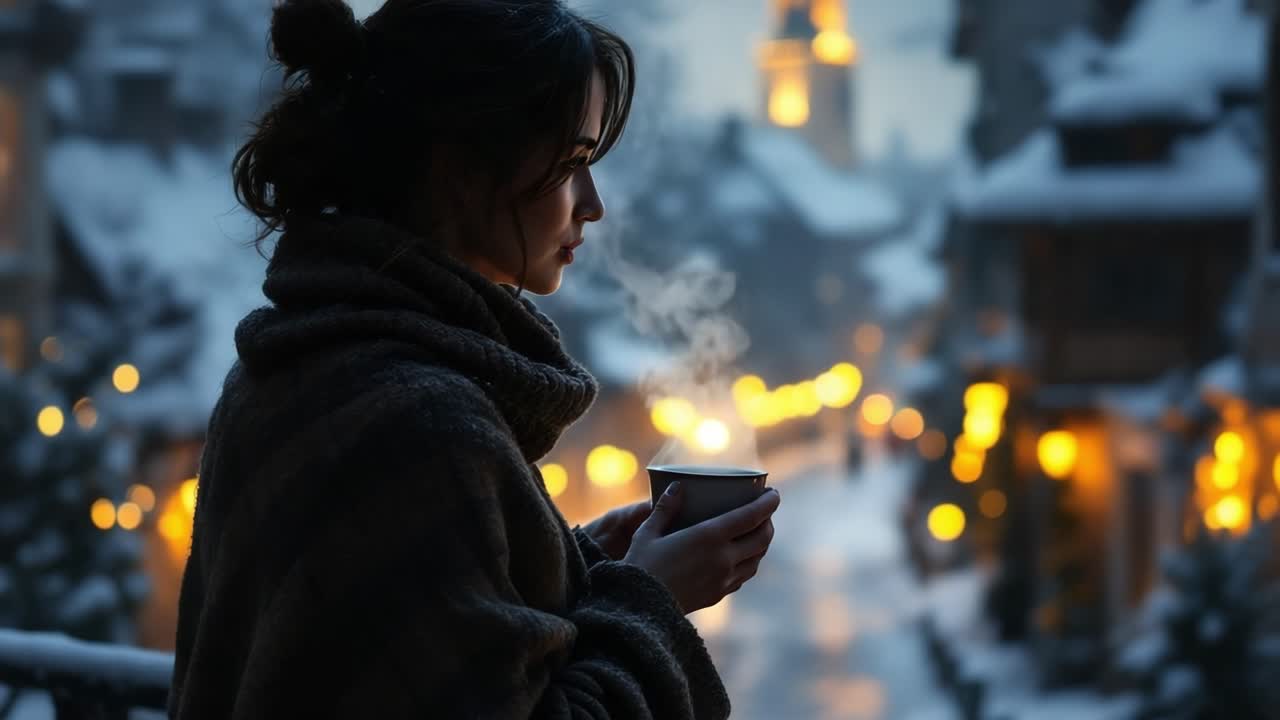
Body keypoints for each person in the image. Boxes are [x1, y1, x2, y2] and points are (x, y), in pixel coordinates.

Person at [166, 1, 781, 718]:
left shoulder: (294, 367)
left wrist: (574, 566)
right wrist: (651, 601)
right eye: (573, 164)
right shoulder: (420, 427)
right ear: (462, 167)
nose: (594, 205)